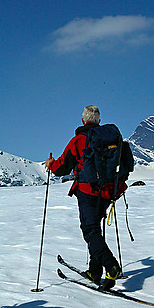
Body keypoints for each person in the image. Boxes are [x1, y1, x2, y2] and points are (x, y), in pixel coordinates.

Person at [44, 105, 122, 290]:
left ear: (83, 121)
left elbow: (62, 167)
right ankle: (94, 272)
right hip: (108, 191)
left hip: (88, 191)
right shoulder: (110, 138)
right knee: (95, 229)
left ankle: (110, 266)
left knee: (90, 230)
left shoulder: (78, 140)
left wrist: (51, 164)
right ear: (99, 121)